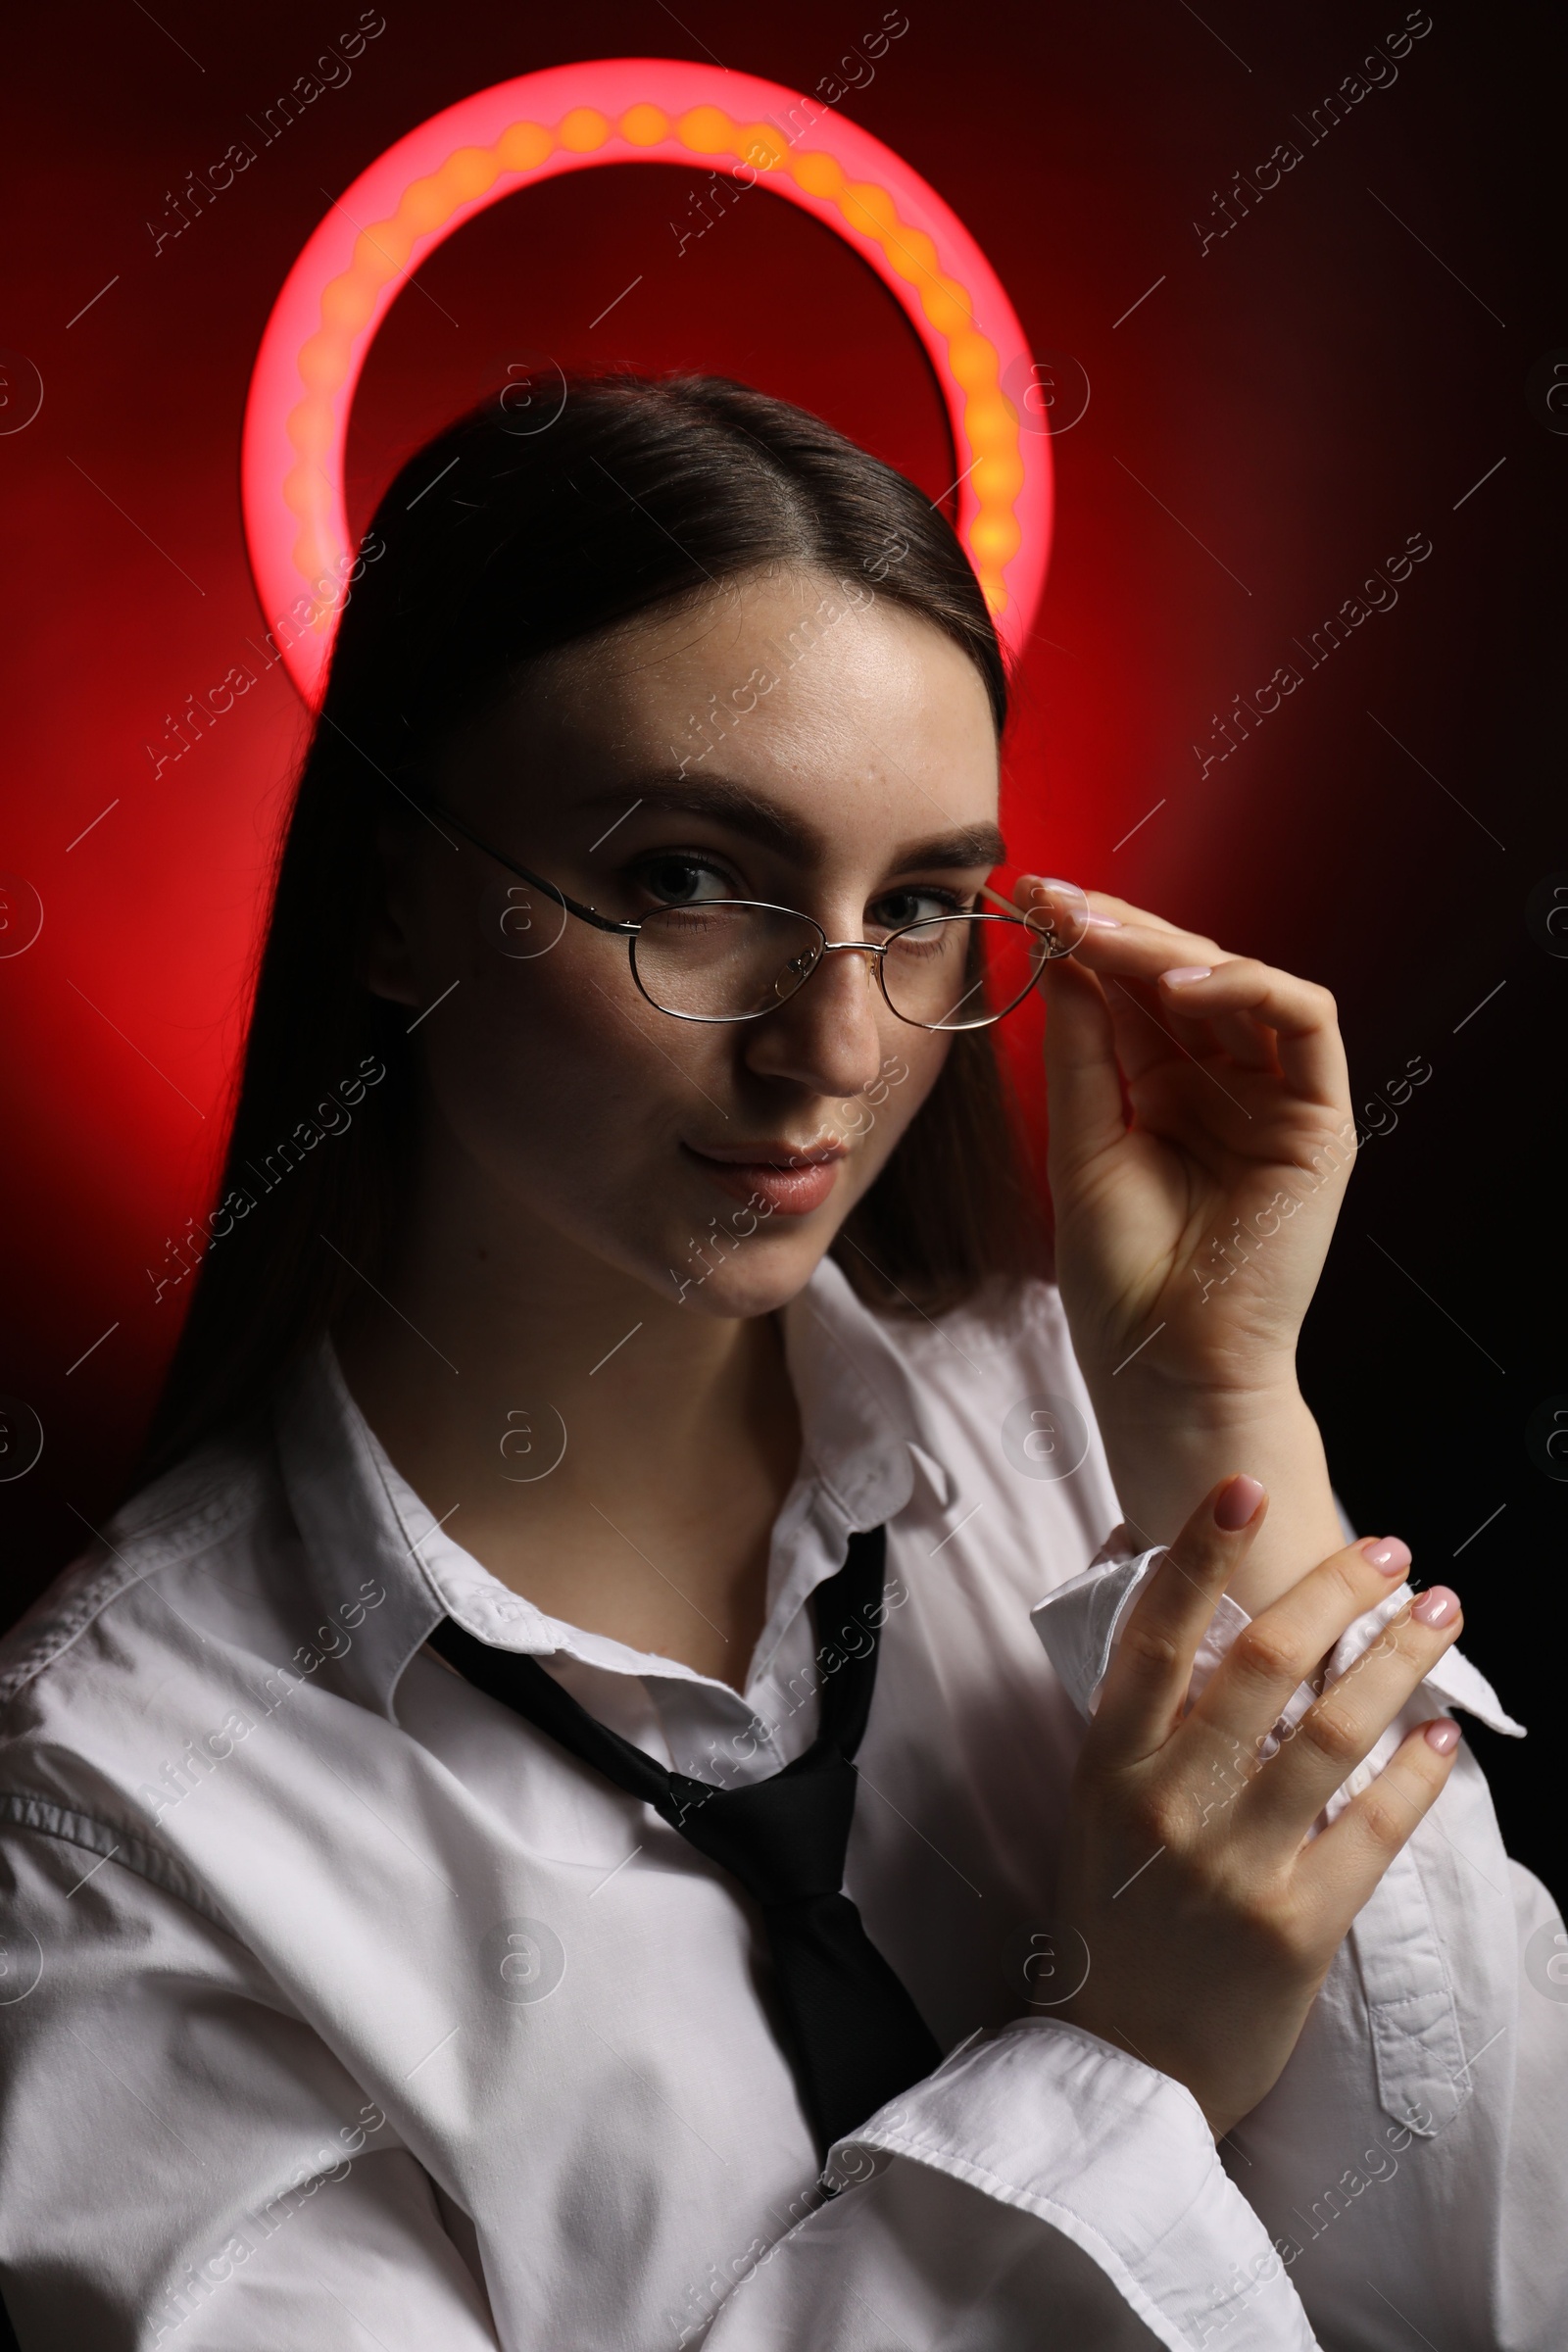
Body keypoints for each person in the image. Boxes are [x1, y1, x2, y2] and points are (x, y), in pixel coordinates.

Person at [0, 372, 1560, 2351]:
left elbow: (1502, 2287)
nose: (832, 1047)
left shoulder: (1086, 1440)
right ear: (392, 898)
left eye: (915, 907)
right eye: (685, 880)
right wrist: (1113, 2072)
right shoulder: (116, 1812)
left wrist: (1211, 1410)